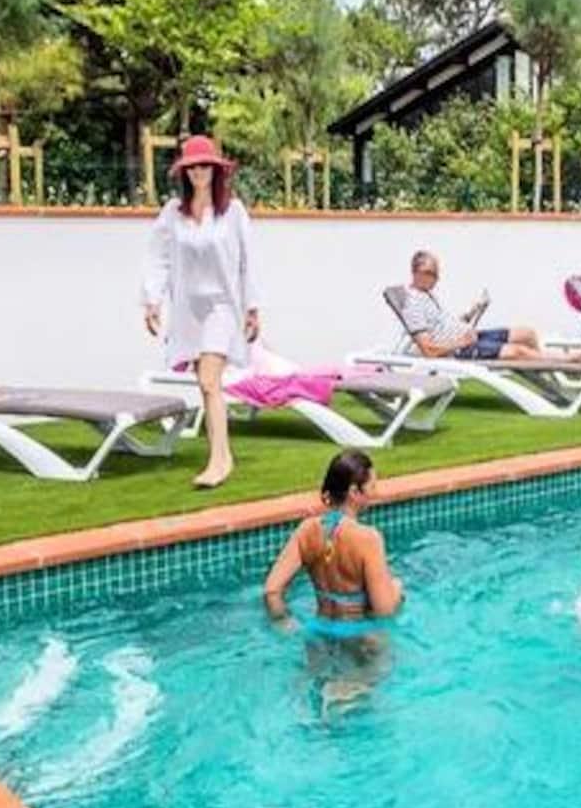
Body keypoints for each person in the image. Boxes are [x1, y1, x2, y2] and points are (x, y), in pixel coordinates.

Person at [142, 134, 261, 489]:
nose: (199, 173)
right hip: (188, 311)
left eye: (205, 166)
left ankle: (219, 461)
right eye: (192, 167)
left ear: (216, 170)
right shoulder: (173, 214)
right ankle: (222, 456)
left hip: (221, 306)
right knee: (207, 386)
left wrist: (252, 307)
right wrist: (152, 300)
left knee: (209, 380)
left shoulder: (233, 212)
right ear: (184, 172)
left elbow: (248, 263)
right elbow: (159, 258)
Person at [264, 450, 404, 624]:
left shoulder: (306, 530)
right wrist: (396, 590)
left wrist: (284, 624)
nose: (376, 493)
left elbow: (271, 591)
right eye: (372, 486)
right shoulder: (369, 539)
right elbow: (384, 611)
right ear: (354, 491)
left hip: (319, 635)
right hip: (361, 636)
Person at [399, 249, 579, 362]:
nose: (436, 279)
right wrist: (461, 342)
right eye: (431, 273)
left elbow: (441, 326)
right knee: (517, 352)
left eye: (436, 274)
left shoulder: (426, 295)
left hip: (468, 336)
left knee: (527, 333)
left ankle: (543, 365)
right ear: (416, 272)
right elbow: (428, 350)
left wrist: (470, 314)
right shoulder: (412, 305)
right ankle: (568, 361)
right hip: (459, 349)